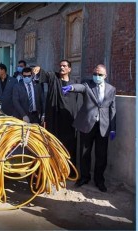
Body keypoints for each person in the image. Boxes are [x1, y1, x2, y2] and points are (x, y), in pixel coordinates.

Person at [62, 64, 116, 192]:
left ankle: (99, 180)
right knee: (85, 154)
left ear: (105, 76)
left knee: (101, 155)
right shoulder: (87, 84)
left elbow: (112, 109)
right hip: (87, 125)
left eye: (100, 75)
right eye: (95, 74)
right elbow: (80, 87)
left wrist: (113, 128)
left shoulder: (111, 89)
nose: (97, 76)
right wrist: (71, 87)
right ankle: (84, 177)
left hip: (103, 126)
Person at [33, 60, 79, 167]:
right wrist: (39, 69)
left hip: (69, 120)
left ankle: (69, 170)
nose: (62, 67)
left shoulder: (74, 82)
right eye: (60, 65)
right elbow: (45, 74)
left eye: (64, 66)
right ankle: (54, 169)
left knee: (69, 145)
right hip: (55, 119)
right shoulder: (54, 77)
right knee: (53, 144)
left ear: (69, 69)